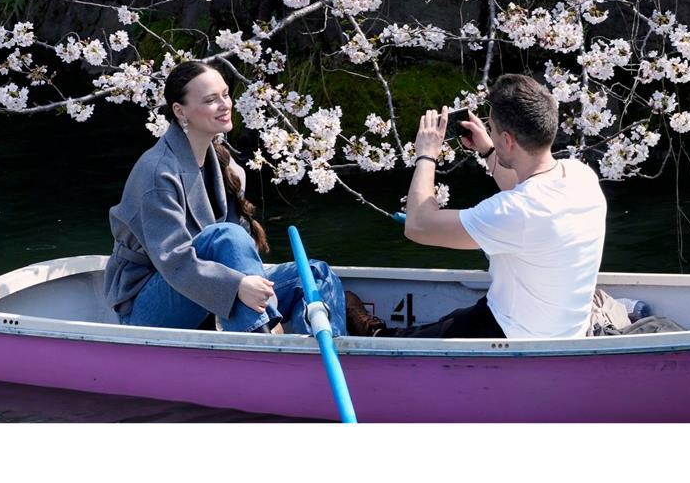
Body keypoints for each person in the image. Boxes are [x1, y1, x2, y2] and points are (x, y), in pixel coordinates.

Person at [346, 73, 607, 339]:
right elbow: (526, 193)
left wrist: (426, 154)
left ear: (508, 140)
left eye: (491, 130)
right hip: (561, 327)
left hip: (516, 335)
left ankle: (375, 335)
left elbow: (417, 225)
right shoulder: (581, 176)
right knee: (454, 320)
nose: (489, 134)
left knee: (402, 341)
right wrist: (488, 151)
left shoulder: (513, 212)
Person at [104, 60, 347, 336]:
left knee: (314, 275)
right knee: (227, 236)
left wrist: (243, 284)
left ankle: (319, 354)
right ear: (180, 111)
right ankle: (266, 344)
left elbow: (238, 255)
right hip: (149, 307)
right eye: (210, 100)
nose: (224, 104)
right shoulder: (157, 172)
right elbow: (174, 261)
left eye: (225, 94)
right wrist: (236, 286)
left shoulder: (223, 163)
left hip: (207, 290)